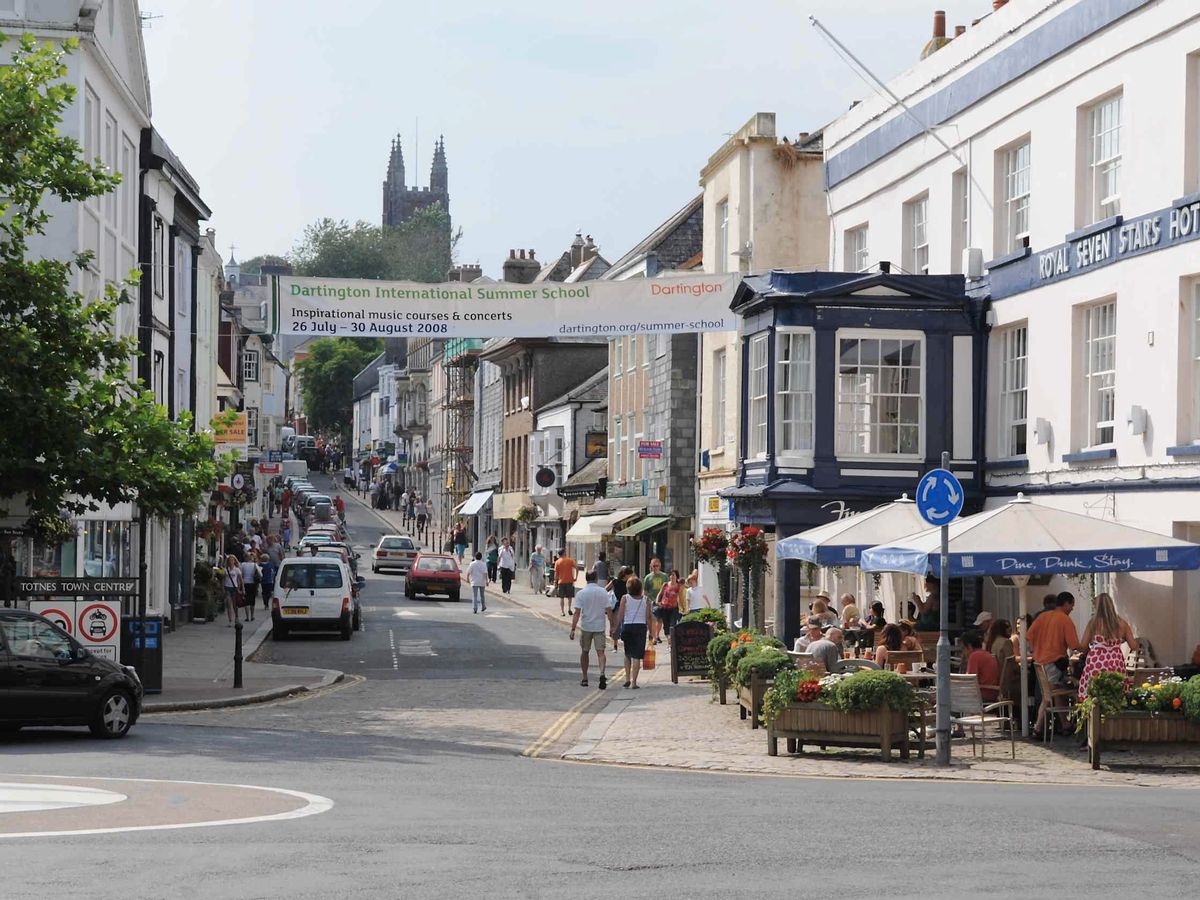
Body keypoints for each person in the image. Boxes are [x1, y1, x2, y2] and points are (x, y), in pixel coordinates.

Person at [1077, 592, 1137, 700]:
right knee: (1116, 692)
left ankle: (1095, 715)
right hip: (1115, 661)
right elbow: (1133, 646)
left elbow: (1083, 646)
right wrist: (1119, 641)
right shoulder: (1122, 623)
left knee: (1094, 693)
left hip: (1096, 661)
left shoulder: (1093, 623)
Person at [571, 569, 612, 688]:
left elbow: (577, 613)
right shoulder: (603, 592)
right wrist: (612, 626)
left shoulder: (581, 593)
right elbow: (609, 610)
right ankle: (602, 673)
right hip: (599, 626)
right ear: (596, 578)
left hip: (586, 626)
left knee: (585, 652)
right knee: (601, 652)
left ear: (586, 579)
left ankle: (584, 678)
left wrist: (573, 629)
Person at [614, 575, 652, 689]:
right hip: (640, 628)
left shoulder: (625, 598)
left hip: (628, 626)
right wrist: (651, 632)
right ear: (640, 588)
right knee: (636, 657)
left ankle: (627, 679)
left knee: (627, 654)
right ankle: (634, 682)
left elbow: (620, 614)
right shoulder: (646, 600)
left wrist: (615, 627)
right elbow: (648, 617)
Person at [984, 618, 1019, 700]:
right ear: (1000, 629)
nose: (1010, 628)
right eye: (1006, 626)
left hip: (995, 679)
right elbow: (1012, 664)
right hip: (1006, 682)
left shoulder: (992, 643)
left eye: (1010, 626)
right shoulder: (1006, 642)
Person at [963, 630, 1001, 702]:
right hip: (992, 693)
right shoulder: (986, 654)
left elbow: (970, 680)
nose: (963, 653)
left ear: (969, 646)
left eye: (963, 649)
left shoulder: (974, 656)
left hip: (982, 695)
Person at [643, 558, 668, 643]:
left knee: (660, 620)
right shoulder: (648, 577)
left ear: (660, 566)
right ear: (651, 566)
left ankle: (657, 635)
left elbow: (667, 588)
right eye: (653, 566)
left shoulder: (664, 576)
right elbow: (645, 590)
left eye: (657, 566)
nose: (655, 567)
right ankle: (653, 637)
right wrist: (645, 601)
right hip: (651, 600)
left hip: (661, 600)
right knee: (653, 619)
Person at [654, 569, 683, 640]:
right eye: (670, 575)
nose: (672, 576)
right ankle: (669, 641)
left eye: (673, 575)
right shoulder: (665, 585)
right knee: (666, 627)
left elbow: (682, 597)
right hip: (664, 608)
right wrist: (657, 601)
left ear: (676, 576)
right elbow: (660, 594)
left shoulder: (679, 586)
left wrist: (683, 607)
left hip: (674, 608)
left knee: (672, 625)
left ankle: (672, 642)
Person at [554, 548, 577, 616]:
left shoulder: (557, 562)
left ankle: (562, 612)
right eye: (565, 552)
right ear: (564, 553)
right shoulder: (570, 560)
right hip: (569, 581)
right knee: (569, 597)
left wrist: (555, 582)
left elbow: (556, 574)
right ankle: (569, 609)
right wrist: (575, 578)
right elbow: (577, 568)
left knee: (562, 597)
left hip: (561, 582)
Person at [222, 554, 243, 627]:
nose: (231, 562)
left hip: (234, 588)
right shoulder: (226, 569)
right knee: (228, 604)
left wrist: (241, 589)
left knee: (235, 605)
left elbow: (240, 580)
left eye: (232, 560)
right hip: (227, 587)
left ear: (234, 561)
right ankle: (230, 620)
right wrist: (222, 588)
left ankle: (236, 617)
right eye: (230, 560)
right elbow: (224, 579)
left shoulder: (237, 569)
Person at [240, 553, 261, 622]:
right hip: (253, 583)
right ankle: (252, 616)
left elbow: (241, 574)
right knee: (252, 600)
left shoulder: (243, 564)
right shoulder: (255, 565)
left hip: (245, 583)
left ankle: (247, 617)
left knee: (246, 600)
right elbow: (261, 574)